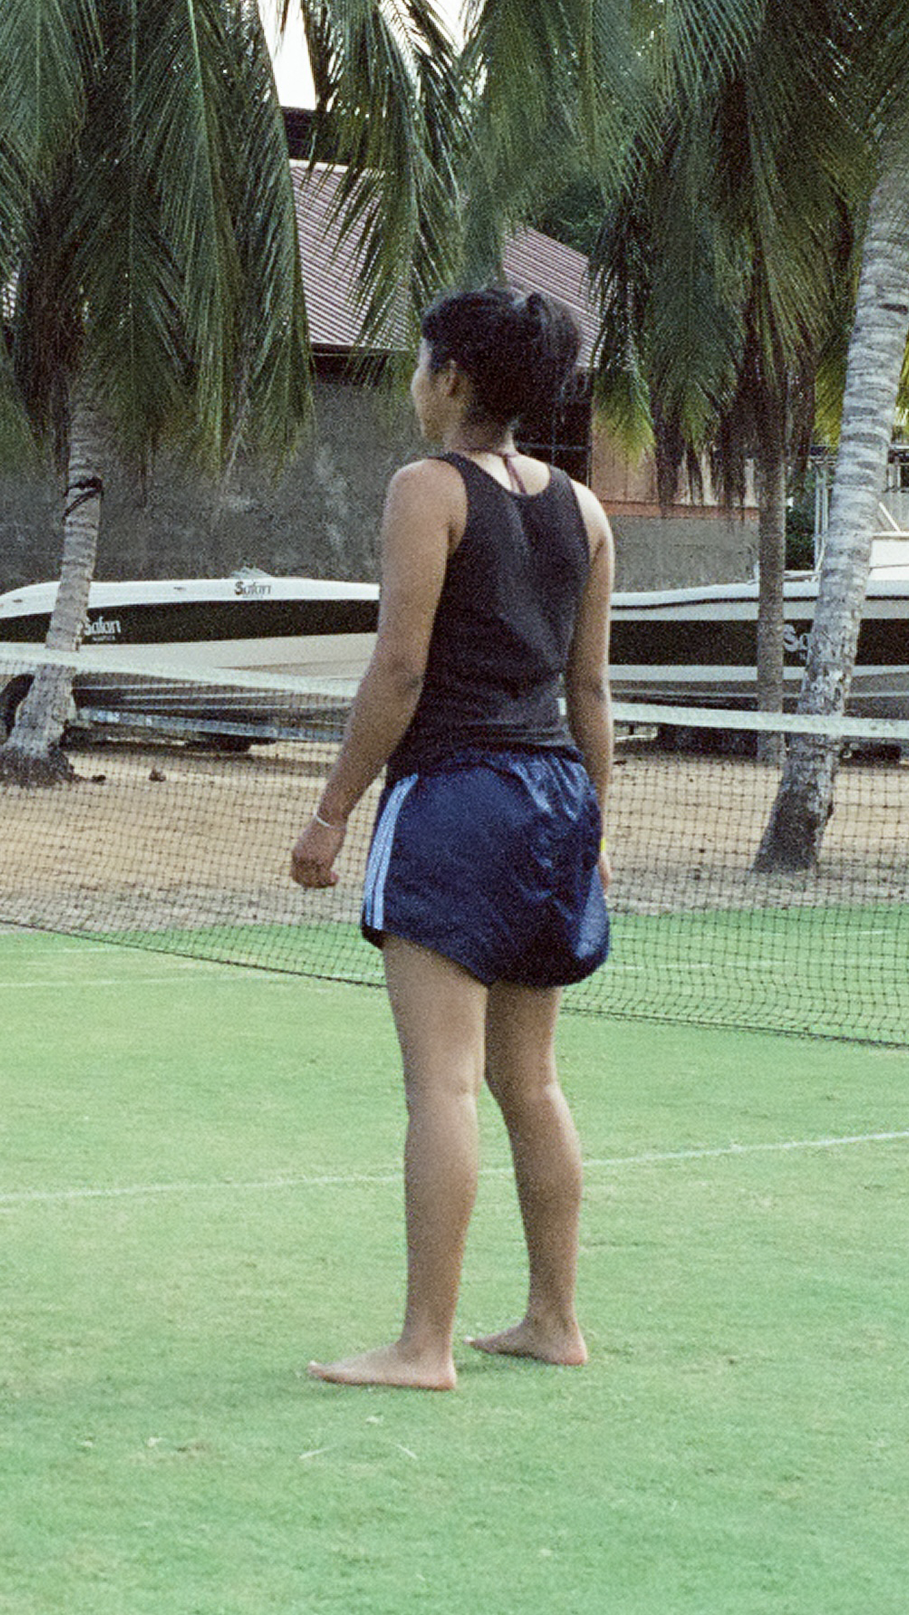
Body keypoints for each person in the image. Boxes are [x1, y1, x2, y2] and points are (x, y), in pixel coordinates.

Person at [289, 287, 613, 1390]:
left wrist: (331, 810)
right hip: (555, 799)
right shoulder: (585, 506)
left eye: (422, 361)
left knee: (443, 1085)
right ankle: (552, 1319)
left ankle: (424, 1343)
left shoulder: (424, 489)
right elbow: (591, 691)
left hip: (456, 799)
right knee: (532, 1082)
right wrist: (593, 830)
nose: (414, 380)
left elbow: (400, 667)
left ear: (454, 379)